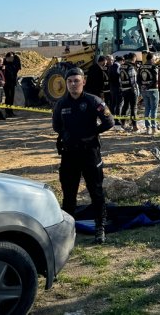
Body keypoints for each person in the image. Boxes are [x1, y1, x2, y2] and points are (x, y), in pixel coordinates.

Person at [53, 67, 115, 244]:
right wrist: (66, 135)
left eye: (76, 81)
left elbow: (109, 121)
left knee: (95, 190)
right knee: (69, 193)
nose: (73, 84)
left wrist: (92, 133)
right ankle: (68, 230)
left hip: (90, 153)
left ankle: (100, 227)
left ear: (83, 82)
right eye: (70, 81)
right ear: (66, 83)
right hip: (70, 154)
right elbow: (56, 125)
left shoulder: (92, 100)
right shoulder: (61, 103)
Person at [137, 52, 160, 135]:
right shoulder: (154, 67)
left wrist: (142, 86)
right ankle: (154, 128)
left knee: (147, 108)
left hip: (144, 90)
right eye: (154, 58)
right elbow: (155, 79)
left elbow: (138, 79)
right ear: (152, 58)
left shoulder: (141, 67)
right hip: (153, 89)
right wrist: (148, 86)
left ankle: (147, 128)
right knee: (154, 109)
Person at [119, 52, 139, 132]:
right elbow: (133, 80)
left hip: (124, 89)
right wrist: (136, 91)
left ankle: (123, 123)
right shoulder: (131, 67)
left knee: (125, 106)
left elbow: (120, 79)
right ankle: (134, 126)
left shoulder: (121, 66)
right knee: (133, 108)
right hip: (131, 90)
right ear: (133, 58)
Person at [3, 51, 22, 117]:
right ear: (7, 58)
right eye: (11, 58)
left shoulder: (13, 63)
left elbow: (18, 67)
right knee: (8, 97)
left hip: (12, 82)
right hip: (6, 83)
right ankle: (7, 112)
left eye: (13, 57)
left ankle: (10, 111)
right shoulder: (4, 65)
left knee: (11, 98)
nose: (12, 58)